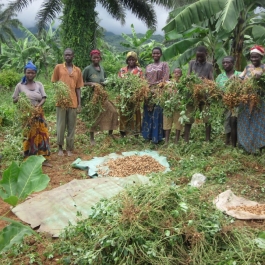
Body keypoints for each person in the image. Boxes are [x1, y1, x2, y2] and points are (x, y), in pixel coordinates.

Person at [12, 60, 51, 166]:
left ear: (35, 74)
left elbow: (44, 98)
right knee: (29, 135)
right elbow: (14, 100)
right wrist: (20, 99)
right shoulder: (20, 86)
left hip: (38, 114)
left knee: (42, 135)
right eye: (28, 72)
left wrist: (38, 106)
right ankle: (29, 158)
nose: (30, 74)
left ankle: (43, 158)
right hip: (26, 115)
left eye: (32, 72)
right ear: (25, 72)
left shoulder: (39, 85)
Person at [51, 48, 83, 156]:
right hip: (61, 102)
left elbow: (78, 88)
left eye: (69, 55)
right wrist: (60, 94)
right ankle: (60, 147)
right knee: (60, 125)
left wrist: (79, 103)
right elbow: (55, 83)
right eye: (66, 55)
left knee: (71, 126)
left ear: (73, 56)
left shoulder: (77, 70)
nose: (68, 57)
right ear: (64, 56)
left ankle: (69, 148)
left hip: (73, 102)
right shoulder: (58, 68)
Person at [82, 49, 118, 145]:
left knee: (113, 111)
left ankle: (110, 133)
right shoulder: (87, 69)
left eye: (98, 57)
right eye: (94, 58)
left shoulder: (102, 69)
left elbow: (105, 80)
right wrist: (91, 83)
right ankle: (92, 138)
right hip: (93, 97)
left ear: (100, 58)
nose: (96, 59)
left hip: (102, 96)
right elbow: (81, 83)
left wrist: (106, 83)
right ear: (91, 58)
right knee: (94, 116)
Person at [237, 45, 265, 153]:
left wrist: (260, 76)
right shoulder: (248, 67)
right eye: (252, 57)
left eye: (256, 57)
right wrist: (236, 80)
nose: (253, 59)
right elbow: (241, 77)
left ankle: (259, 146)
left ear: (261, 57)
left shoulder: (263, 67)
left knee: (258, 123)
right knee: (244, 121)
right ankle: (245, 145)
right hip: (245, 99)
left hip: (259, 100)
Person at [142, 47, 170, 144]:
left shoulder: (164, 65)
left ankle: (156, 138)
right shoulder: (148, 66)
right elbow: (145, 79)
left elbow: (165, 79)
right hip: (148, 92)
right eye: (154, 53)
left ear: (161, 54)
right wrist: (147, 90)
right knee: (148, 113)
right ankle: (147, 136)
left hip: (159, 92)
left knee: (157, 114)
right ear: (152, 54)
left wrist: (157, 89)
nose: (155, 55)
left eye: (158, 53)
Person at [187, 46, 214, 142]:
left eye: (201, 57)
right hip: (192, 94)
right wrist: (192, 81)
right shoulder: (191, 63)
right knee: (189, 116)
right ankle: (186, 139)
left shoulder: (209, 65)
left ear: (206, 55)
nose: (199, 59)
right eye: (197, 56)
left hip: (204, 95)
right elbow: (188, 77)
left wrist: (204, 81)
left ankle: (207, 140)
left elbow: (211, 80)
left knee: (207, 118)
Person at [216, 56, 241, 147]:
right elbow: (217, 90)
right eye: (224, 63)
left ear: (233, 64)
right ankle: (227, 139)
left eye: (228, 62)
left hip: (237, 102)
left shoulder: (240, 74)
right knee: (226, 121)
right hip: (225, 102)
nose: (225, 64)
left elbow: (244, 87)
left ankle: (237, 141)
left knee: (235, 121)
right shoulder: (220, 77)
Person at [118, 51, 143, 137]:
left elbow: (141, 83)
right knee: (124, 112)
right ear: (127, 60)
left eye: (133, 59)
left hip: (135, 95)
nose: (131, 61)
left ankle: (135, 132)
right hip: (124, 95)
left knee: (135, 113)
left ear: (136, 60)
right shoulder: (122, 70)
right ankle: (123, 132)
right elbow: (118, 82)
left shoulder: (139, 70)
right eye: (129, 59)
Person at [163, 68, 183, 144]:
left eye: (179, 72)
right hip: (168, 106)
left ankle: (176, 141)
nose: (177, 73)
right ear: (172, 74)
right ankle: (166, 141)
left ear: (181, 74)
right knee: (167, 122)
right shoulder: (167, 83)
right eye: (175, 72)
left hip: (178, 106)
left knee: (178, 123)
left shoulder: (183, 84)